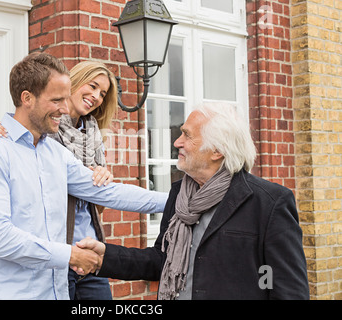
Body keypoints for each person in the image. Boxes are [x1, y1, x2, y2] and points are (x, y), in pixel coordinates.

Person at [0, 52, 168, 300]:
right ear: (27, 98)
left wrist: (177, 199)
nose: (64, 108)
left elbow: (108, 193)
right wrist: (70, 255)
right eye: (57, 100)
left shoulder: (56, 153)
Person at [77, 102, 310, 300]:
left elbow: (289, 288)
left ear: (216, 150)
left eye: (186, 135)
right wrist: (103, 257)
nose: (177, 142)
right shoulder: (180, 194)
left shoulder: (269, 203)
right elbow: (161, 259)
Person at [0, 61, 119, 300]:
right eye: (92, 86)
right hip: (57, 253)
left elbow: (98, 205)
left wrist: (102, 180)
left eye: (102, 94)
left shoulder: (94, 137)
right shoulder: (42, 130)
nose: (96, 97)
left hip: (88, 248)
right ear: (73, 84)